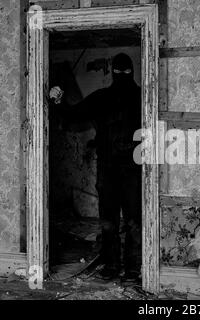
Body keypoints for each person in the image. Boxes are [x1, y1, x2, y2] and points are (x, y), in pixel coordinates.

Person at [49, 53, 142, 281]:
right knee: (129, 222)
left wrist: (57, 100)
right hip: (127, 170)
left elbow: (73, 114)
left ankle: (116, 266)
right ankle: (128, 269)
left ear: (113, 73)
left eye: (122, 72)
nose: (121, 76)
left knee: (117, 221)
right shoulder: (142, 97)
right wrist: (58, 101)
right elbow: (74, 114)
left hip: (118, 170)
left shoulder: (110, 97)